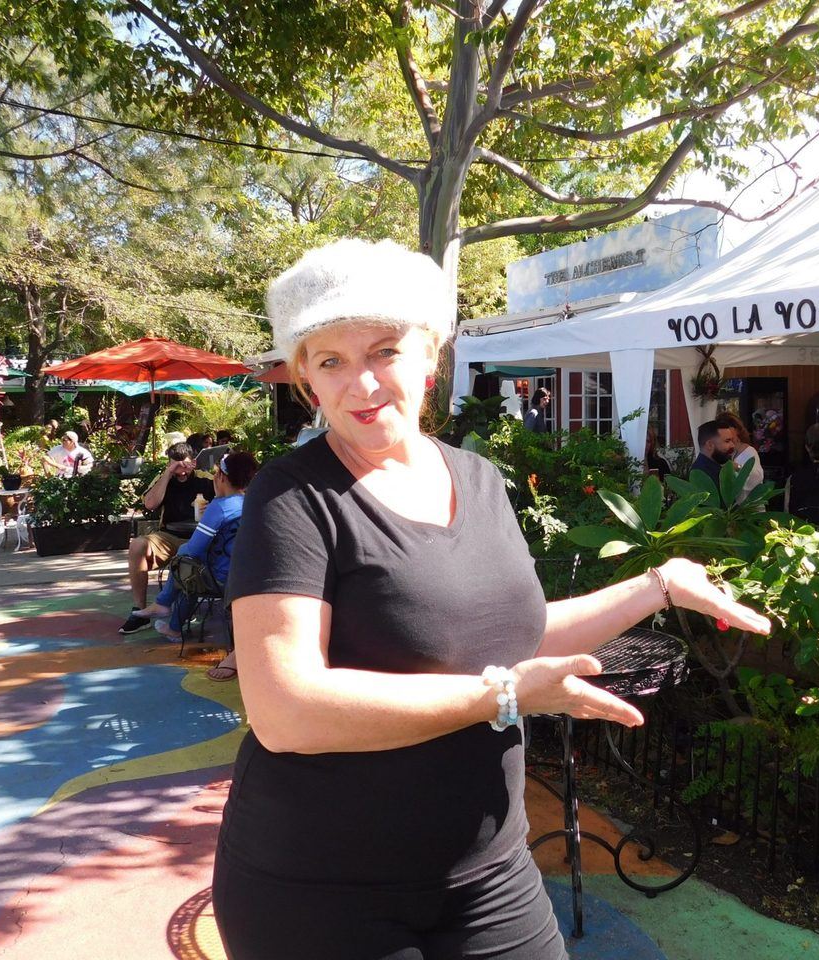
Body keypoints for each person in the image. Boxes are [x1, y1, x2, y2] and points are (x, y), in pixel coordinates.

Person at [212, 237, 771, 960]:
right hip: (320, 888)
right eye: (331, 361)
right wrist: (503, 697)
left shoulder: (476, 478)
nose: (362, 383)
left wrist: (657, 586)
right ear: (306, 382)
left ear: (430, 356)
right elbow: (285, 709)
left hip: (488, 873)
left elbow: (514, 637)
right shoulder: (292, 496)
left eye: (385, 350)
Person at [135, 450, 258, 645]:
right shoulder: (253, 502)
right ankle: (170, 620)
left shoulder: (220, 507)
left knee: (187, 563)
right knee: (192, 566)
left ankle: (164, 606)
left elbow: (193, 549)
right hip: (252, 576)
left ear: (220, 477)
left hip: (223, 580)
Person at [119, 441, 215, 635]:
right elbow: (150, 504)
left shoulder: (205, 479)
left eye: (185, 466)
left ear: (193, 462)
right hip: (168, 535)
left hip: (199, 537)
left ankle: (176, 614)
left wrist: (210, 508)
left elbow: (227, 500)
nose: (182, 472)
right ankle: (140, 610)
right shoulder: (164, 478)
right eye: (176, 466)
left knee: (188, 556)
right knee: (138, 545)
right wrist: (168, 474)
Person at [715, 412, 763, 501]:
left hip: (750, 507)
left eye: (727, 428)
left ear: (736, 429)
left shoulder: (749, 452)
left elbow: (756, 477)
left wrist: (737, 467)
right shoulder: (726, 451)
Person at [689, 419, 737, 488]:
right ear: (710, 445)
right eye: (727, 441)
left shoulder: (714, 467)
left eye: (731, 441)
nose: (732, 445)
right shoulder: (702, 476)